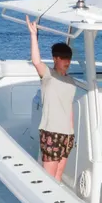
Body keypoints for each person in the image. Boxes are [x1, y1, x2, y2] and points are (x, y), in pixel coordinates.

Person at [26, 16, 77, 181]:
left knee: (59, 175)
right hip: (51, 131)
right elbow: (36, 61)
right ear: (55, 59)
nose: (66, 61)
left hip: (67, 134)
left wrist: (72, 132)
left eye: (68, 58)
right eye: (63, 58)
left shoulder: (71, 81)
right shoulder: (48, 75)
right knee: (49, 177)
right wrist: (33, 35)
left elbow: (68, 107)